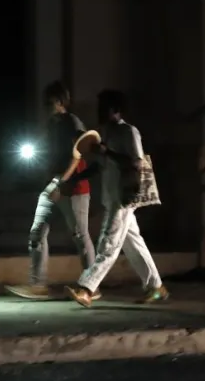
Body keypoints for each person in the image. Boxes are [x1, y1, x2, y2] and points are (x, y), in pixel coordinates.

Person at [62, 90, 167, 307]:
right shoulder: (107, 133)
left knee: (108, 243)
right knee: (133, 243)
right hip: (112, 197)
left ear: (115, 110)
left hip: (123, 197)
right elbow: (100, 166)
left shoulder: (129, 132)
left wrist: (106, 152)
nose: (99, 111)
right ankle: (156, 287)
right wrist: (76, 177)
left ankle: (87, 289)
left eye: (104, 107)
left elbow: (136, 162)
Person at [5, 81, 98, 301]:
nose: (46, 106)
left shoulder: (73, 122)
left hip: (74, 187)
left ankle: (91, 286)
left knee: (79, 235)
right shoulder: (51, 123)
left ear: (59, 102)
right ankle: (37, 284)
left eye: (50, 102)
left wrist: (61, 183)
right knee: (37, 232)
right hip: (54, 182)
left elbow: (77, 156)